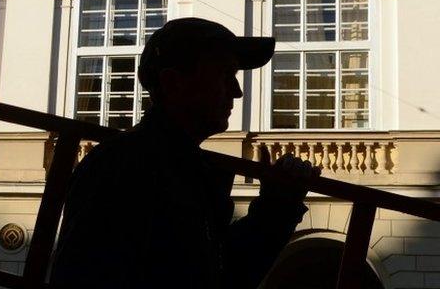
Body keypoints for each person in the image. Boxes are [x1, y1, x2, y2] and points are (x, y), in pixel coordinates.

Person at [50, 17, 321, 289]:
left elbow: (215, 270)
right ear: (173, 82)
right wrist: (277, 208)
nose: (237, 92)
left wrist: (278, 206)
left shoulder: (169, 164)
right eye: (224, 75)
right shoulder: (125, 167)